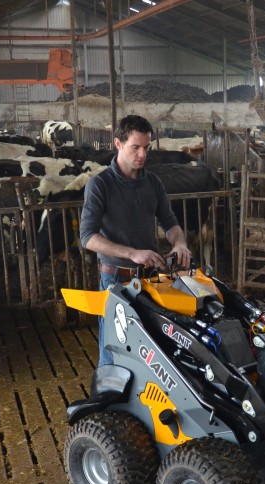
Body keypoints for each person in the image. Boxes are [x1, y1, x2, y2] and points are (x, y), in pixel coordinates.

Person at [79, 114, 191, 366]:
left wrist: (179, 243)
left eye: (147, 147)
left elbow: (170, 222)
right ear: (118, 144)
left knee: (152, 350)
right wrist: (132, 253)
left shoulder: (153, 183)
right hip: (115, 280)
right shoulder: (100, 185)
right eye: (136, 147)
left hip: (149, 279)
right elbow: (87, 237)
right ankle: (110, 398)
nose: (142, 154)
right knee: (114, 348)